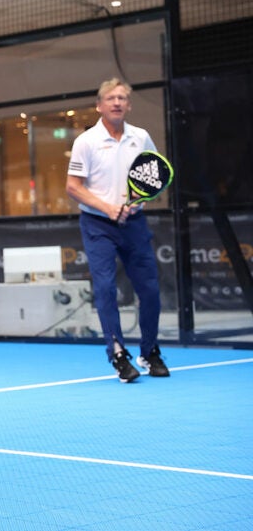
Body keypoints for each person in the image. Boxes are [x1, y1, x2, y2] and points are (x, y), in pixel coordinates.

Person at [66, 77, 170, 383]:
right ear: (99, 105)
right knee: (106, 289)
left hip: (135, 225)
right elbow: (73, 187)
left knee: (150, 290)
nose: (116, 103)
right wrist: (107, 208)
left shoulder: (141, 137)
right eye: (110, 98)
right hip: (98, 226)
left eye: (122, 98)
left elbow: (153, 179)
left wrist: (138, 202)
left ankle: (149, 352)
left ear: (128, 105)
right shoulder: (85, 142)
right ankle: (119, 355)